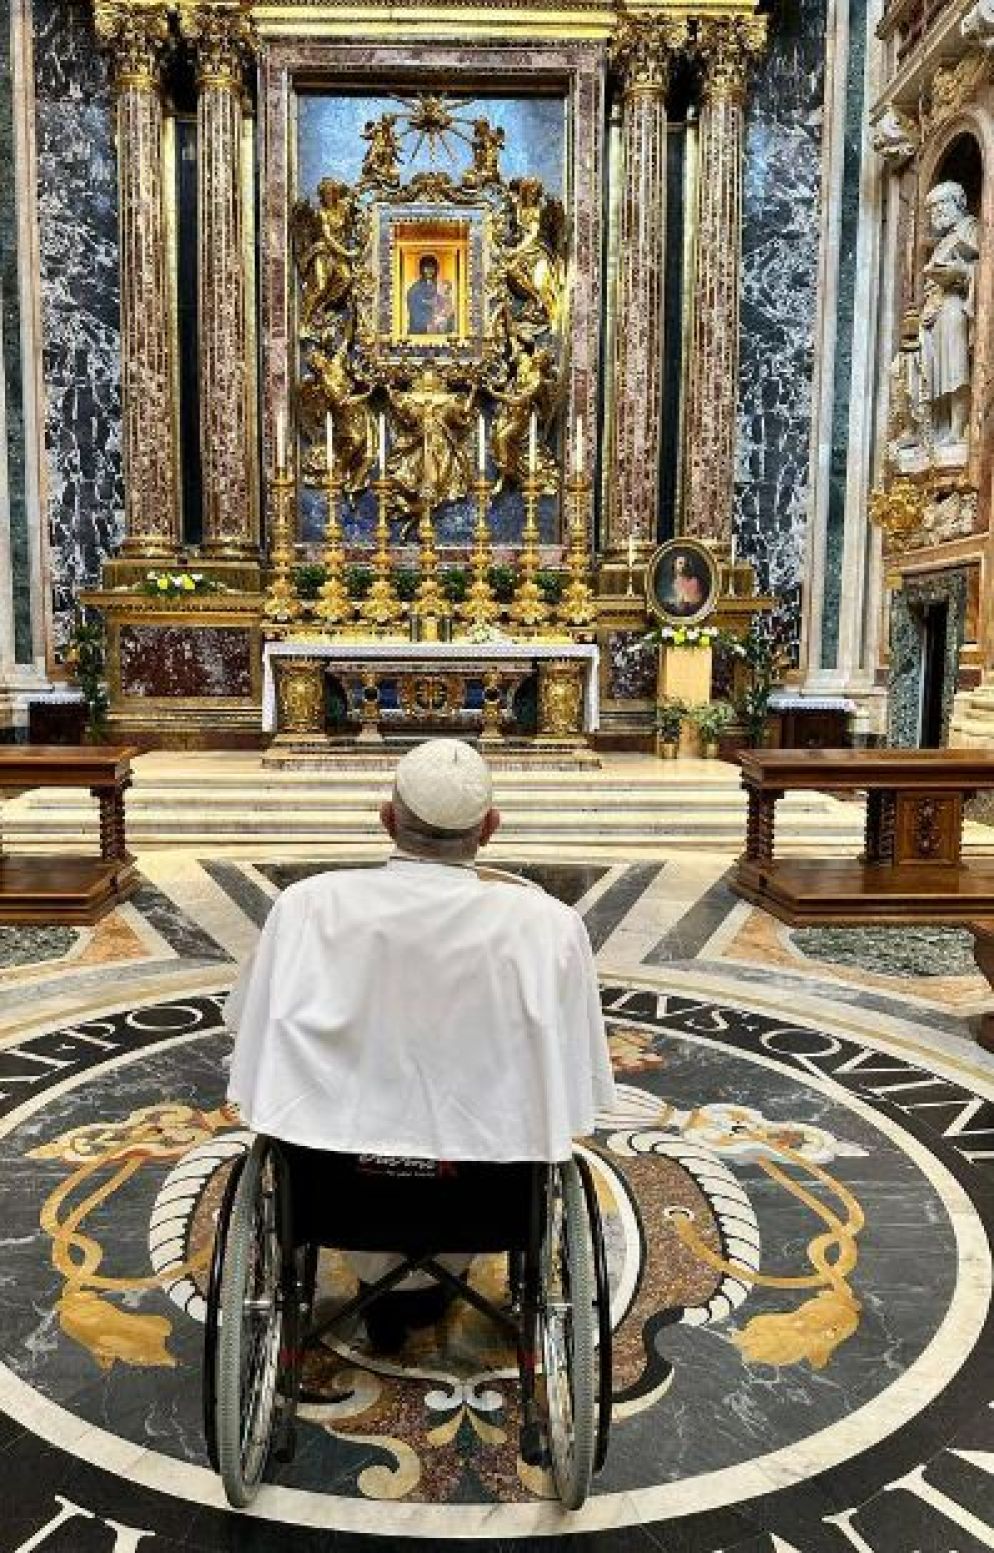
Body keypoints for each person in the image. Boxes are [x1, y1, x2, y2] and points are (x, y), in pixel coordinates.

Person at [225, 738, 615, 1350]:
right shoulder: (548, 925)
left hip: (334, 1186)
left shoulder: (307, 907)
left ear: (387, 818)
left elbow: (247, 1022)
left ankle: (380, 1283)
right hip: (489, 1193)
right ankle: (440, 1275)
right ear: (489, 828)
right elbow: (573, 1064)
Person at [406, 254, 452, 336]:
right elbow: (415, 313)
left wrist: (446, 316)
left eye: (432, 268)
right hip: (420, 331)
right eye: (427, 268)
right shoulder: (415, 290)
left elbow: (446, 304)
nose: (430, 271)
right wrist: (432, 321)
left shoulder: (440, 286)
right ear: (422, 270)